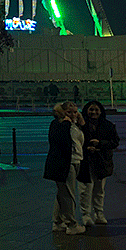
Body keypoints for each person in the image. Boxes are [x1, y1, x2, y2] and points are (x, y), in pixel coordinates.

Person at [43, 101, 88, 235]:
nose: (73, 114)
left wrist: (82, 123)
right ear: (62, 112)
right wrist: (67, 122)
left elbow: (82, 140)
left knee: (62, 194)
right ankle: (71, 224)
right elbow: (60, 141)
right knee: (68, 195)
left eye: (75, 111)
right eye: (69, 112)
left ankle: (58, 222)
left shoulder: (75, 125)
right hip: (65, 163)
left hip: (76, 160)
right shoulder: (58, 124)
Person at [78, 100, 120, 226]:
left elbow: (115, 142)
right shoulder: (80, 125)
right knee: (85, 189)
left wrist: (100, 144)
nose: (94, 112)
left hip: (101, 161)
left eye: (96, 110)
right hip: (85, 161)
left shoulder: (108, 125)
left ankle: (99, 213)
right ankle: (86, 215)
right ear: (86, 111)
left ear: (101, 111)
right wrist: (87, 148)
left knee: (99, 189)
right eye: (91, 110)